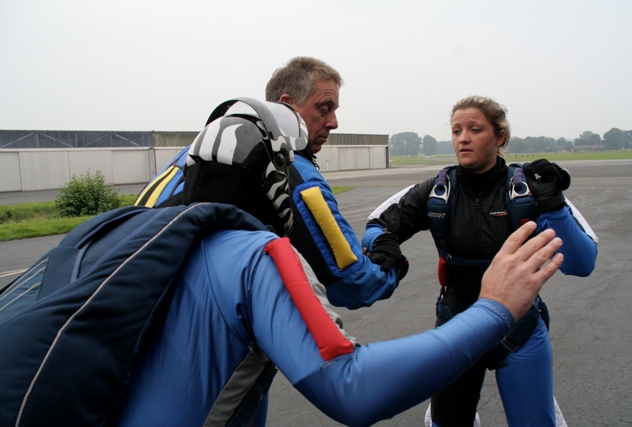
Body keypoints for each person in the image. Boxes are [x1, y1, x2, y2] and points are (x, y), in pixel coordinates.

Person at [111, 97, 565, 426]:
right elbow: (351, 383)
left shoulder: (118, 231)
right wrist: (493, 308)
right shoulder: (258, 260)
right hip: (491, 320)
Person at [364, 95, 598, 427]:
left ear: (499, 137)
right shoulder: (438, 191)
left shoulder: (527, 191)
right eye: (456, 130)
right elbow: (378, 224)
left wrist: (555, 206)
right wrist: (383, 245)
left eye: (475, 129)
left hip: (520, 331)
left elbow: (582, 263)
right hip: (456, 327)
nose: (463, 138)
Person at [136, 56, 405, 309]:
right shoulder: (288, 169)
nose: (333, 122)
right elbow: (355, 283)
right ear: (287, 105)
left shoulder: (193, 153)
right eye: (324, 109)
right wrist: (389, 258)